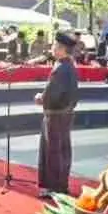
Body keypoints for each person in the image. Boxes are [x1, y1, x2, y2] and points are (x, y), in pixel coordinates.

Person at [33, 32, 79, 197]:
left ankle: (53, 186)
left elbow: (52, 94)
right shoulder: (70, 65)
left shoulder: (60, 68)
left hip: (55, 115)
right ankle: (61, 184)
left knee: (52, 150)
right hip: (65, 114)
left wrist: (40, 98)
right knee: (62, 149)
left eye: (54, 46)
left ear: (61, 49)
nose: (52, 48)